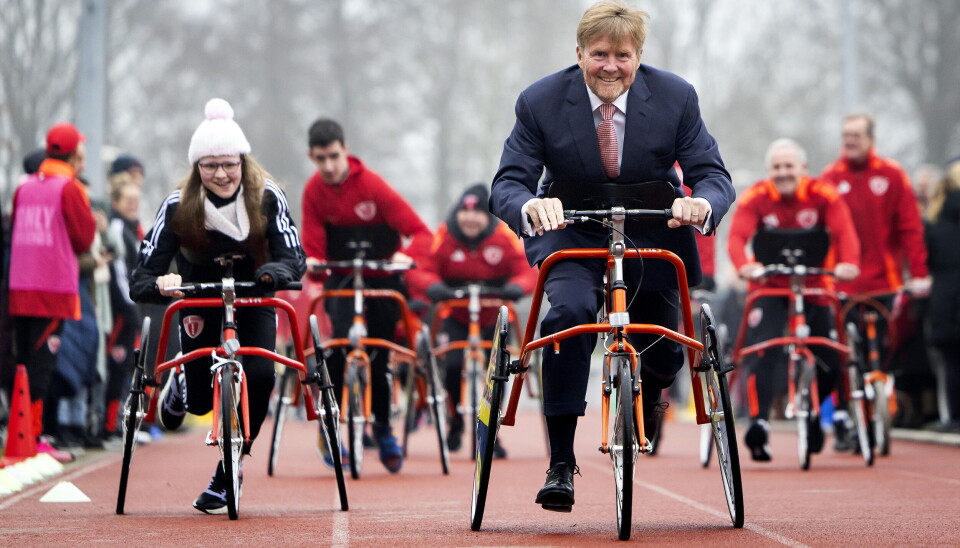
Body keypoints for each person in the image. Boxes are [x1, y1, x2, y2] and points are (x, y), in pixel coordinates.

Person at [489, 0, 736, 512]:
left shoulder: (676, 97)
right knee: (570, 316)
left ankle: (648, 402)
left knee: (663, 352)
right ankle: (561, 464)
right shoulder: (539, 101)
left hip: (653, 224)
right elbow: (508, 182)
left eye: (622, 56)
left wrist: (702, 203)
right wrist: (531, 205)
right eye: (599, 54)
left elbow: (712, 173)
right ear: (579, 53)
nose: (610, 67)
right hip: (570, 224)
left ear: (638, 56)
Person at [130, 98, 305, 514]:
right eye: (210, 166)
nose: (222, 174)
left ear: (243, 162)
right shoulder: (178, 205)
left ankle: (230, 470)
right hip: (200, 296)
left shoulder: (268, 197)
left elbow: (293, 257)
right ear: (197, 168)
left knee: (260, 376)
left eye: (229, 164)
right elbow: (141, 276)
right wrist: (163, 283)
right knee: (198, 404)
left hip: (254, 293)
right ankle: (181, 384)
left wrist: (274, 273)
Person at [300, 118, 432, 474]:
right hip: (343, 281)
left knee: (380, 355)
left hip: (383, 282)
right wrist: (312, 264)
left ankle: (383, 429)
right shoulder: (313, 192)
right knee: (339, 349)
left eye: (334, 156)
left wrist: (405, 256)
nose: (329, 166)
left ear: (345, 150)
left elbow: (421, 233)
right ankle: (330, 428)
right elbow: (313, 251)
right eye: (320, 159)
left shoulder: (372, 185)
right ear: (312, 157)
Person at [727, 138, 861, 461]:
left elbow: (844, 232)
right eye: (776, 167)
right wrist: (745, 266)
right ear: (768, 171)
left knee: (829, 351)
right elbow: (737, 237)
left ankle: (815, 412)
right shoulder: (756, 197)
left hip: (813, 285)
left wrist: (848, 263)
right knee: (763, 348)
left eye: (789, 166)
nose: (783, 172)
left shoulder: (824, 195)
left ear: (803, 169)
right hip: (770, 287)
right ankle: (758, 423)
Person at [820, 113, 932, 438]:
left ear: (871, 139)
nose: (850, 141)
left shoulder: (892, 175)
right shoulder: (830, 177)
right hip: (842, 283)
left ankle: (881, 402)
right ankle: (844, 414)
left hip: (884, 281)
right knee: (843, 352)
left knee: (882, 348)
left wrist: (919, 274)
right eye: (846, 135)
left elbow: (910, 228)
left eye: (856, 135)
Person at [406, 183, 537, 455]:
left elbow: (527, 270)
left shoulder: (503, 237)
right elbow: (421, 268)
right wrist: (433, 286)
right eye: (465, 212)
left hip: (493, 313)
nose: (471, 218)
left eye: (477, 212)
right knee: (452, 365)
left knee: (497, 370)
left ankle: (492, 434)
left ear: (486, 216)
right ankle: (455, 422)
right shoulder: (443, 236)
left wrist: (517, 287)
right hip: (455, 312)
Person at [7, 123, 97, 463]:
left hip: (20, 286)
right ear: (73, 155)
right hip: (52, 289)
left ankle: (23, 436)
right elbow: (84, 239)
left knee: (23, 363)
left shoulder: (23, 187)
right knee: (42, 366)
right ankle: (33, 439)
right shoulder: (70, 189)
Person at [103, 179, 143, 441]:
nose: (133, 205)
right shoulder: (117, 228)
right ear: (116, 203)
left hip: (130, 309)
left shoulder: (131, 229)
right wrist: (129, 307)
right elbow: (119, 273)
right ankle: (107, 425)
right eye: (128, 200)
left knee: (128, 364)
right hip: (120, 312)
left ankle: (118, 423)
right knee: (116, 366)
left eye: (136, 200)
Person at [924, 159, 960, 432]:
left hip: (944, 295)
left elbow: (927, 259)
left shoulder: (934, 219)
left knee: (950, 360)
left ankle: (953, 417)